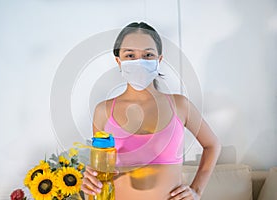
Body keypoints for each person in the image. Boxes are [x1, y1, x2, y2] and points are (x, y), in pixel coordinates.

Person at [81, 22, 221, 200]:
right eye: (130, 55)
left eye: (148, 55)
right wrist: (91, 179)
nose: (139, 62)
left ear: (159, 60)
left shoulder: (180, 105)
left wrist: (197, 191)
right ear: (119, 61)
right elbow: (100, 170)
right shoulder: (103, 111)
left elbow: (212, 145)